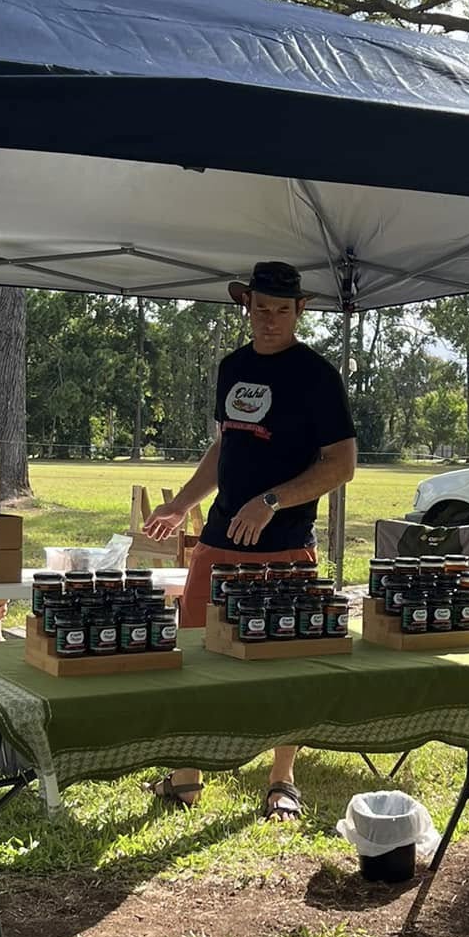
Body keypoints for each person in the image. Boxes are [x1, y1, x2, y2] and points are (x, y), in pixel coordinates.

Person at [144, 259, 357, 821]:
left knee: (289, 664)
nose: (269, 320)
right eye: (260, 308)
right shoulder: (232, 367)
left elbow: (342, 464)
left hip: (285, 542)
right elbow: (226, 447)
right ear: (247, 306)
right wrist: (182, 503)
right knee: (191, 654)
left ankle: (281, 781)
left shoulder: (317, 376)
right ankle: (186, 777)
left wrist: (272, 502)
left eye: (281, 310)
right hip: (218, 540)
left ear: (299, 311)